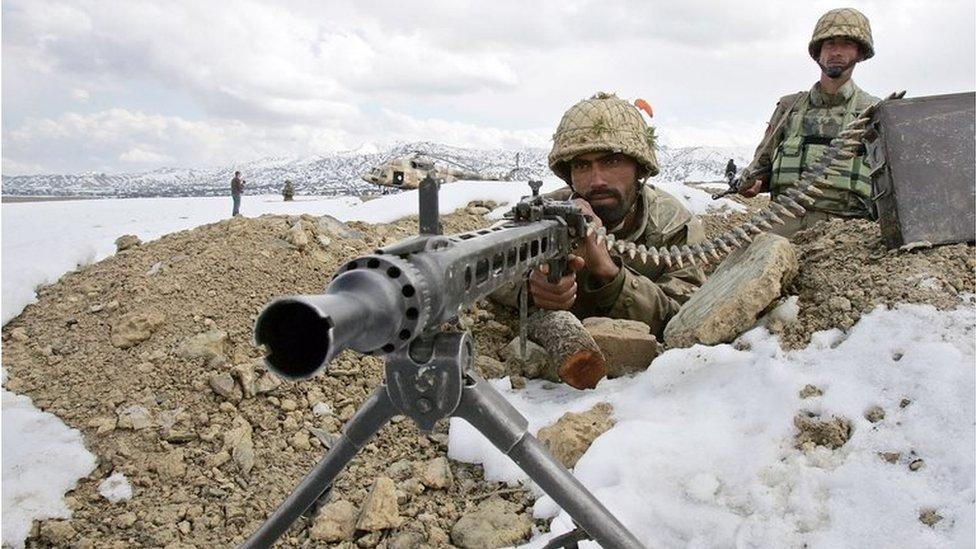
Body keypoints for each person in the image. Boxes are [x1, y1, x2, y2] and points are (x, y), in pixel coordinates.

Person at [527, 92, 706, 339]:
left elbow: (686, 317)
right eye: (581, 165)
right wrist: (532, 286)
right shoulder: (548, 212)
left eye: (611, 162)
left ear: (640, 168)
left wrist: (611, 273)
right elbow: (490, 270)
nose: (597, 180)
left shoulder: (672, 224)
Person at [738, 8, 880, 237]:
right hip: (782, 223)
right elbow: (761, 167)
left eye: (846, 44)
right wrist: (753, 183)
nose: (836, 51)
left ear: (860, 52)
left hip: (848, 229)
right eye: (830, 44)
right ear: (818, 52)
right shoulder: (789, 108)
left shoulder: (873, 111)